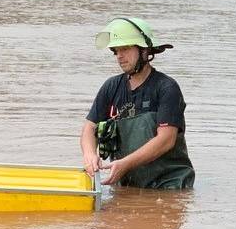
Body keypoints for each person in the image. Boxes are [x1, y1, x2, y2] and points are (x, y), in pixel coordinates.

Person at [79, 17, 195, 190]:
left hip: (169, 185)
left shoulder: (167, 87)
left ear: (144, 51)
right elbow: (89, 128)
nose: (119, 56)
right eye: (116, 50)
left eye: (125, 49)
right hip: (127, 184)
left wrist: (125, 164)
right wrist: (89, 155)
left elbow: (166, 139)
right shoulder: (111, 86)